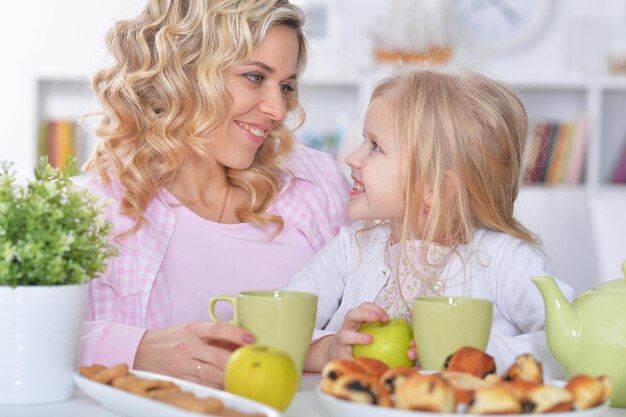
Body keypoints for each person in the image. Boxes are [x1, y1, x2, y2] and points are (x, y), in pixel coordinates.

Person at [78, 0, 349, 388]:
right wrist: (138, 350)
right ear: (185, 72)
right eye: (255, 77)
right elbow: (21, 336)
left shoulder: (317, 182)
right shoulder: (93, 210)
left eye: (286, 86)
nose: (277, 109)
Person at [284, 69, 575, 379]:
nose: (352, 158)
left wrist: (475, 352)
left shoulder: (503, 259)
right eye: (362, 142)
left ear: (435, 187)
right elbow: (280, 324)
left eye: (375, 146)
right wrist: (328, 350)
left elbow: (570, 342)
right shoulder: (351, 247)